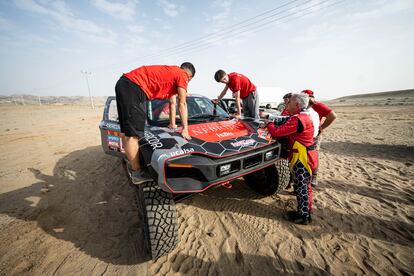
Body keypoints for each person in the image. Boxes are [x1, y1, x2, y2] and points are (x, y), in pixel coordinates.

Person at [115, 62, 196, 184]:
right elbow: (182, 103)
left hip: (125, 84)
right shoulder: (182, 75)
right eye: (188, 82)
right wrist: (185, 129)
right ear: (189, 76)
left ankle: (131, 161)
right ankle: (137, 172)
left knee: (126, 132)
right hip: (133, 87)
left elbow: (173, 103)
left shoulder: (171, 73)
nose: (186, 84)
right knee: (133, 134)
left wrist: (172, 123)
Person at [266, 93, 318, 224]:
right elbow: (285, 120)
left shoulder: (298, 119)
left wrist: (269, 124)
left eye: (289, 103)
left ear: (297, 105)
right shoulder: (305, 116)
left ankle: (303, 216)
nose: (286, 104)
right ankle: (307, 211)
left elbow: (277, 132)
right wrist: (270, 117)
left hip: (302, 158)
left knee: (301, 187)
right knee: (306, 187)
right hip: (309, 155)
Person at [301, 89, 337, 187]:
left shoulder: (317, 105)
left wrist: (321, 127)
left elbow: (333, 116)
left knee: (313, 155)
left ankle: (314, 176)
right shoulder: (302, 105)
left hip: (314, 135)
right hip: (305, 134)